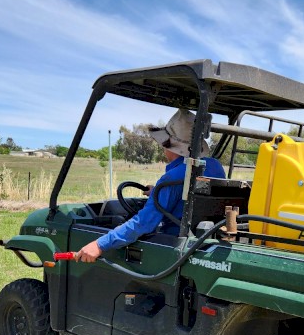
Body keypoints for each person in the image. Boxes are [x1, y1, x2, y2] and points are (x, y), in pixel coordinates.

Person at [74, 108, 226, 263]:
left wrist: (99, 245)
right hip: (205, 236)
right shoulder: (215, 166)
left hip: (173, 245)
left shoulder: (172, 178)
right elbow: (192, 194)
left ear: (169, 145)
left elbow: (144, 223)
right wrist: (157, 192)